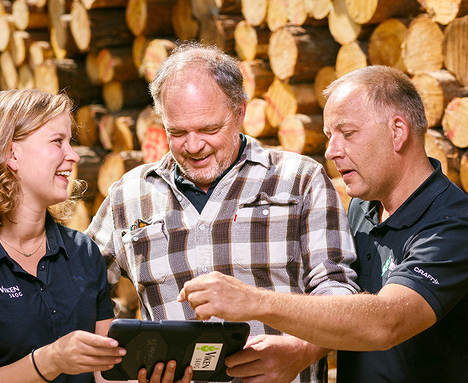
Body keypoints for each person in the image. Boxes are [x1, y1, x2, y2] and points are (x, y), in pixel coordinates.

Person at [178, 65, 468, 382]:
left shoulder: (455, 226)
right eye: (329, 136)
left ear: (397, 132)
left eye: (347, 134)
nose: (332, 151)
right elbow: (349, 310)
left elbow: (386, 322)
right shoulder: (363, 208)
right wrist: (301, 350)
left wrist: (253, 301)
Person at [85, 41, 359, 383]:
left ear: (240, 112)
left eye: (210, 129)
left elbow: (338, 291)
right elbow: (81, 291)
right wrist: (125, 362)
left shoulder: (299, 180)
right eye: (178, 132)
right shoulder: (129, 195)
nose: (194, 145)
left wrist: (303, 350)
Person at [0, 89, 128, 383]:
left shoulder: (83, 252)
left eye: (71, 142)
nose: (73, 155)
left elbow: (106, 374)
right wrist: (49, 361)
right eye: (57, 141)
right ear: (12, 154)